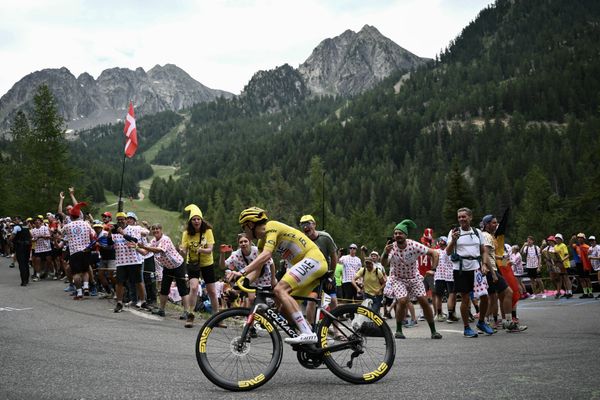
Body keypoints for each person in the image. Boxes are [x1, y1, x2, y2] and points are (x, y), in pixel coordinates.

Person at [229, 207, 327, 344]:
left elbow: (267, 255)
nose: (244, 231)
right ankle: (316, 340)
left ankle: (307, 333)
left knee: (279, 289)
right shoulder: (261, 243)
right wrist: (243, 280)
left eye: (244, 227)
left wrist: (242, 271)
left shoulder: (271, 227)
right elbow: (258, 269)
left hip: (314, 259)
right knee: (285, 312)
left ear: (251, 225)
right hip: (308, 265)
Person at [381, 219, 442, 340]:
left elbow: (435, 253)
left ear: (406, 235)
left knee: (424, 302)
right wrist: (385, 253)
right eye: (396, 233)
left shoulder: (414, 245)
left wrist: (433, 270)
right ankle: (398, 330)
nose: (398, 235)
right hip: (398, 279)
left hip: (414, 278)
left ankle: (434, 331)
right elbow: (384, 264)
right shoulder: (390, 247)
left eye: (400, 233)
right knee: (402, 300)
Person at [445, 207, 494, 338]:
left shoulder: (477, 232)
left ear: (470, 217)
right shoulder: (454, 232)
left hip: (476, 269)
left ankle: (481, 322)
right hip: (460, 269)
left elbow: (483, 250)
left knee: (484, 297)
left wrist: (484, 264)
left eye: (464, 216)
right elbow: (448, 252)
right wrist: (454, 240)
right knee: (465, 298)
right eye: (459, 217)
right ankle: (466, 327)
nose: (461, 219)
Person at [135, 223, 190, 324]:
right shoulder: (153, 241)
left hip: (178, 265)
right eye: (154, 229)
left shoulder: (165, 239)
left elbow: (159, 250)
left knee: (182, 288)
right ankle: (162, 310)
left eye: (157, 229)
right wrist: (135, 247)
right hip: (168, 267)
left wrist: (145, 247)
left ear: (161, 230)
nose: (155, 231)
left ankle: (186, 311)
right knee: (164, 289)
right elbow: (144, 252)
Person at [179, 204, 219, 328]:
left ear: (202, 220)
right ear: (191, 221)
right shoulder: (187, 233)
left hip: (207, 263)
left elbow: (210, 249)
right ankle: (190, 314)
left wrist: (201, 250)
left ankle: (217, 316)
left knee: (212, 291)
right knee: (194, 288)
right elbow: (184, 250)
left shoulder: (207, 231)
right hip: (193, 263)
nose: (196, 221)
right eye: (194, 219)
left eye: (198, 219)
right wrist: (182, 251)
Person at [299, 214, 338, 326]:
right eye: (302, 225)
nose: (305, 227)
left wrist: (331, 276)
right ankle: (311, 329)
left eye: (308, 224)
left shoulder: (325, 237)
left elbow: (334, 256)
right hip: (312, 276)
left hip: (326, 273)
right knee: (311, 301)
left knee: (333, 301)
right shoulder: (302, 240)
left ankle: (336, 329)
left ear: (314, 225)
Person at [220, 232, 276, 307]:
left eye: (245, 241)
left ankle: (235, 292)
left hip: (264, 279)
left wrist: (273, 279)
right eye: (241, 242)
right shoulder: (236, 254)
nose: (243, 244)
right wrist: (222, 254)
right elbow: (223, 265)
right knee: (251, 299)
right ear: (239, 244)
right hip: (249, 280)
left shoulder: (257, 251)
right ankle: (248, 315)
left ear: (250, 242)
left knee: (266, 302)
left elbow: (271, 263)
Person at [112, 212, 148, 313]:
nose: (120, 221)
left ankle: (143, 301)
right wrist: (111, 233)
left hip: (134, 260)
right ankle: (119, 303)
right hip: (121, 261)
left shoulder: (134, 229)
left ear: (126, 219)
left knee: (138, 282)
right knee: (119, 283)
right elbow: (110, 243)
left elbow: (135, 240)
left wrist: (123, 234)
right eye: (118, 219)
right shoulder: (115, 232)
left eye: (122, 219)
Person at [62, 202, 94, 299]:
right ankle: (86, 287)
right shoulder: (86, 224)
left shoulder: (68, 226)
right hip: (86, 251)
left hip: (74, 252)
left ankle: (79, 292)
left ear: (71, 216)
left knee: (76, 273)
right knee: (85, 271)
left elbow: (60, 233)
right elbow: (93, 234)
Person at [432, 236, 459, 322]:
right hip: (449, 275)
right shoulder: (451, 251)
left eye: (441, 241)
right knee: (451, 294)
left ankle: (439, 314)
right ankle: (451, 313)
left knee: (439, 295)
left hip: (440, 275)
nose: (440, 243)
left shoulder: (436, 251)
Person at [10, 216, 32, 286]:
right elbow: (30, 236)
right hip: (27, 246)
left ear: (19, 220)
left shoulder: (16, 227)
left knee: (21, 264)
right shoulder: (26, 226)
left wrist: (9, 240)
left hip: (20, 247)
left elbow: (12, 236)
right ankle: (27, 279)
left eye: (16, 219)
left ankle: (24, 281)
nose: (15, 221)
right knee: (26, 263)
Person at [554, 233, 573, 298]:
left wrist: (562, 260)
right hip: (559, 265)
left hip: (565, 264)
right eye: (556, 238)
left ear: (561, 239)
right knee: (562, 278)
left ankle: (570, 292)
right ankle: (566, 292)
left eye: (558, 238)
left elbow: (567, 255)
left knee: (566, 278)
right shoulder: (555, 246)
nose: (556, 239)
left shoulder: (563, 245)